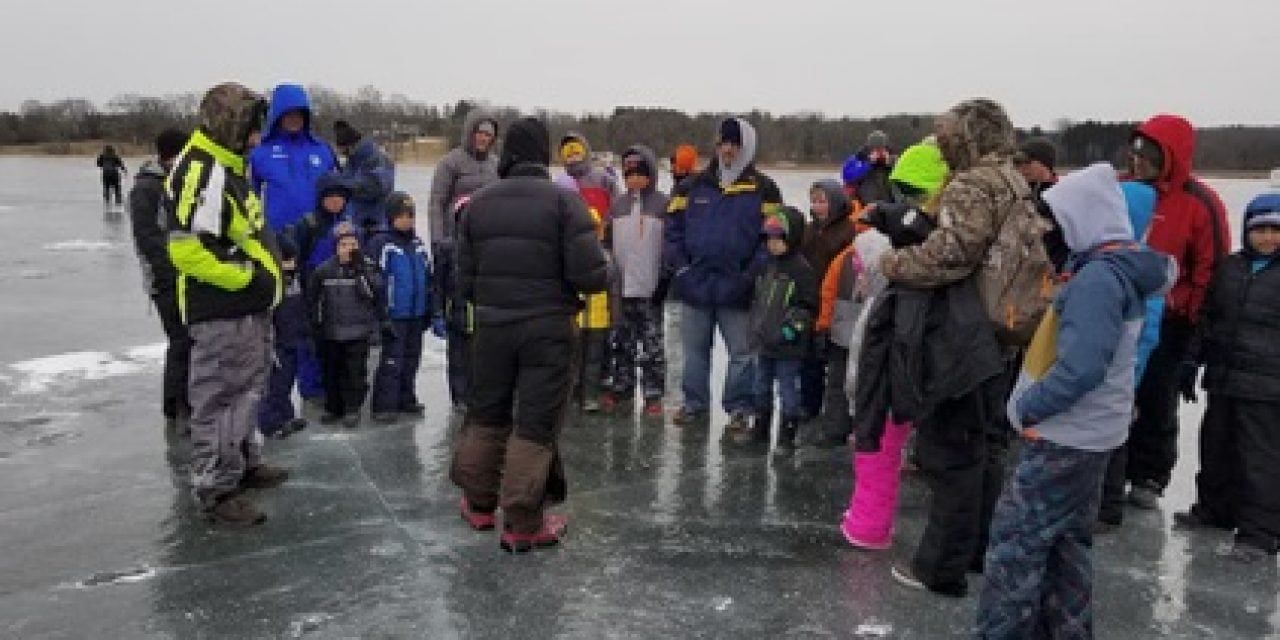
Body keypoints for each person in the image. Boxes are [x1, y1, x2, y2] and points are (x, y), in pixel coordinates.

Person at [978, 163, 1174, 637]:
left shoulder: (1098, 281)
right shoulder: (1110, 269)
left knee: (1016, 547)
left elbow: (1082, 367)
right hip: (1090, 434)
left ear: (1081, 220)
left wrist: (1029, 407)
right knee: (1067, 544)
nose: (1049, 232)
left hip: (1064, 435)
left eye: (1057, 221)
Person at [879, 98, 1040, 597]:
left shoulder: (973, 184)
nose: (940, 143)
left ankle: (940, 566)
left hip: (966, 333)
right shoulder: (1012, 179)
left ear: (968, 136)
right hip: (1002, 330)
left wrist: (894, 261)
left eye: (947, 134)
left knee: (951, 449)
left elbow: (952, 255)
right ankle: (976, 550)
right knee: (984, 445)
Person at [448, 116, 609, 553]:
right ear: (542, 154)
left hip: (492, 328)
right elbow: (591, 277)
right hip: (547, 329)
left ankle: (479, 503)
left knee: (487, 414)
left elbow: (462, 280)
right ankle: (522, 522)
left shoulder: (477, 205)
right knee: (535, 424)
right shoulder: (564, 204)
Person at [166, 82, 289, 525]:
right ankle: (216, 490)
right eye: (251, 127)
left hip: (246, 310)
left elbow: (241, 232)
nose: (257, 136)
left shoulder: (228, 166)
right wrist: (246, 279)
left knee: (246, 390)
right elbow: (186, 249)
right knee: (219, 396)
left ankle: (242, 461)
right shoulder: (201, 170)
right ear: (230, 126)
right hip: (222, 311)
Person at [834, 139, 949, 550]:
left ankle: (868, 524)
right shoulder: (953, 251)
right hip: (924, 356)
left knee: (879, 445)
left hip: (885, 356)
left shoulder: (875, 246)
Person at [1124, 114, 1231, 510]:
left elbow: (1212, 268)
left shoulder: (1199, 202)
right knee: (1115, 393)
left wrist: (1192, 318)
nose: (1139, 160)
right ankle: (1109, 468)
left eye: (1148, 153)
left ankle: (1149, 474)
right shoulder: (1122, 189)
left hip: (1171, 321)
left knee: (1157, 396)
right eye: (1135, 151)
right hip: (1118, 311)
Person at [1172, 194, 1280, 562]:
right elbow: (1207, 319)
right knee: (1215, 446)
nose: (1267, 238)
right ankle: (1215, 510)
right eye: (1260, 230)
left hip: (1267, 385)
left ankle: (1260, 533)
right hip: (1223, 376)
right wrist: (1191, 360)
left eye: (1275, 230)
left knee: (1259, 459)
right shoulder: (1230, 268)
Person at [666, 117, 783, 430]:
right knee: (694, 354)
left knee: (742, 354)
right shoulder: (692, 186)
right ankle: (694, 405)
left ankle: (739, 408)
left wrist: (751, 275)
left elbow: (771, 238)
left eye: (734, 143)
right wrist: (682, 269)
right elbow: (673, 232)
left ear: (746, 146)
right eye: (722, 143)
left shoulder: (765, 189)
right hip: (696, 284)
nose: (727, 149)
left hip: (739, 288)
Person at [1096, 181, 1166, 532]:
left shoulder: (1139, 269)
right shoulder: (1127, 263)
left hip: (1121, 371)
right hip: (1116, 369)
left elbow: (1147, 331)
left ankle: (1108, 507)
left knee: (1113, 437)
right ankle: (1103, 502)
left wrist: (1132, 373)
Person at [427, 111, 500, 409]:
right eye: (479, 133)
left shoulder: (496, 166)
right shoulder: (451, 162)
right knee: (460, 326)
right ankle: (459, 392)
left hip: (488, 247)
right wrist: (439, 240)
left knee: (484, 328)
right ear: (470, 133)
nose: (483, 139)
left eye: (488, 135)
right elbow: (436, 202)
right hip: (455, 242)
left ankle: (484, 388)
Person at [128, 128, 191, 434]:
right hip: (164, 278)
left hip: (186, 273)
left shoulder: (177, 182)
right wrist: (168, 271)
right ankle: (176, 407)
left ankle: (186, 400)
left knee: (191, 338)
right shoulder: (147, 188)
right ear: (170, 155)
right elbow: (147, 235)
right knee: (180, 338)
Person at [602, 145, 669, 416]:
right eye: (629, 175)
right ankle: (622, 387)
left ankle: (653, 394)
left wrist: (664, 280)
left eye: (640, 174)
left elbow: (670, 247)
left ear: (650, 175)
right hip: (622, 288)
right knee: (621, 342)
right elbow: (605, 242)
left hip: (650, 287)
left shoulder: (662, 204)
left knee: (652, 346)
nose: (634, 180)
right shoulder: (617, 206)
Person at [743, 206, 818, 452]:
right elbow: (759, 300)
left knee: (788, 389)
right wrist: (755, 327)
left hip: (787, 345)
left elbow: (807, 307)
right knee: (760, 386)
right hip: (765, 341)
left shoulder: (802, 270)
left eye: (779, 239)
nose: (773, 245)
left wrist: (790, 331)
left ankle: (787, 435)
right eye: (770, 239)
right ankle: (761, 429)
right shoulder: (768, 266)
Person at [368, 192, 444, 423]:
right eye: (402, 215)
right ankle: (384, 404)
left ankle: (405, 397)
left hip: (416, 313)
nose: (407, 220)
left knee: (411, 358)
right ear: (391, 217)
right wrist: (381, 314)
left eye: (410, 215)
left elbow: (428, 278)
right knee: (392, 360)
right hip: (395, 313)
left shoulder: (417, 244)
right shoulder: (381, 244)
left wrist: (432, 310)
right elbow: (374, 281)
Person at [281, 173, 354, 409]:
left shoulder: (348, 224)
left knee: (338, 341)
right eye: (330, 196)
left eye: (339, 197)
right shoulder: (309, 224)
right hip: (313, 290)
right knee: (310, 341)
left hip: (343, 292)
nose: (335, 201)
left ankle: (337, 383)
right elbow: (295, 254)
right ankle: (311, 387)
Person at [559, 132, 619, 412]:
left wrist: (604, 231)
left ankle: (591, 391)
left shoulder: (603, 180)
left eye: (576, 152)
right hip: (570, 265)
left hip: (600, 257)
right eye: (567, 154)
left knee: (597, 340)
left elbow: (617, 210)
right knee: (573, 341)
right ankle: (570, 392)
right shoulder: (560, 185)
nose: (573, 157)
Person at [307, 227, 387, 429]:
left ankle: (353, 407)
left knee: (355, 372)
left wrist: (361, 273)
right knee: (331, 371)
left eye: (353, 244)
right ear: (336, 247)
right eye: (344, 245)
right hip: (331, 331)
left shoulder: (368, 268)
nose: (348, 249)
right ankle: (333, 407)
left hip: (358, 331)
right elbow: (314, 300)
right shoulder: (323, 270)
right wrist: (316, 326)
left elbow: (374, 295)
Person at [799, 179, 858, 419]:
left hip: (837, 303)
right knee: (809, 360)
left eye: (822, 201)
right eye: (814, 201)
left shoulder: (847, 231)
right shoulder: (809, 230)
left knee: (836, 363)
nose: (817, 206)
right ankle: (809, 406)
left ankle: (837, 412)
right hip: (811, 300)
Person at [248, 83, 338, 233]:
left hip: (318, 237)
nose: (294, 119)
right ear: (278, 116)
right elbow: (248, 196)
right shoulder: (260, 152)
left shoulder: (322, 150)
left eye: (299, 114)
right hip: (275, 237)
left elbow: (339, 192)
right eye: (289, 114)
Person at [258, 241, 310, 438]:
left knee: (287, 381)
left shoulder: (295, 280)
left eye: (292, 260)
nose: (290, 264)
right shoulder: (270, 283)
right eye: (286, 260)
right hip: (276, 342)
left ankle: (286, 416)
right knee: (274, 385)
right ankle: (270, 423)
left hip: (293, 338)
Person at [1014, 137, 1070, 271]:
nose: (1022, 168)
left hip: (1055, 271)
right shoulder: (1016, 193)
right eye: (1018, 163)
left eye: (1027, 162)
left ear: (1045, 163)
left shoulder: (1063, 195)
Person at [332, 119, 396, 236]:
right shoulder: (352, 161)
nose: (340, 153)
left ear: (349, 146)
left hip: (374, 226)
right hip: (357, 224)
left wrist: (342, 185)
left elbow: (375, 186)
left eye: (341, 150)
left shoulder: (376, 159)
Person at [846, 130, 894, 206]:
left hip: (888, 206)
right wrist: (868, 164)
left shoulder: (893, 159)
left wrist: (890, 164)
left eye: (881, 149)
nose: (878, 152)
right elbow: (847, 176)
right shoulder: (858, 159)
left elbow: (903, 179)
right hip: (864, 205)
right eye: (875, 149)